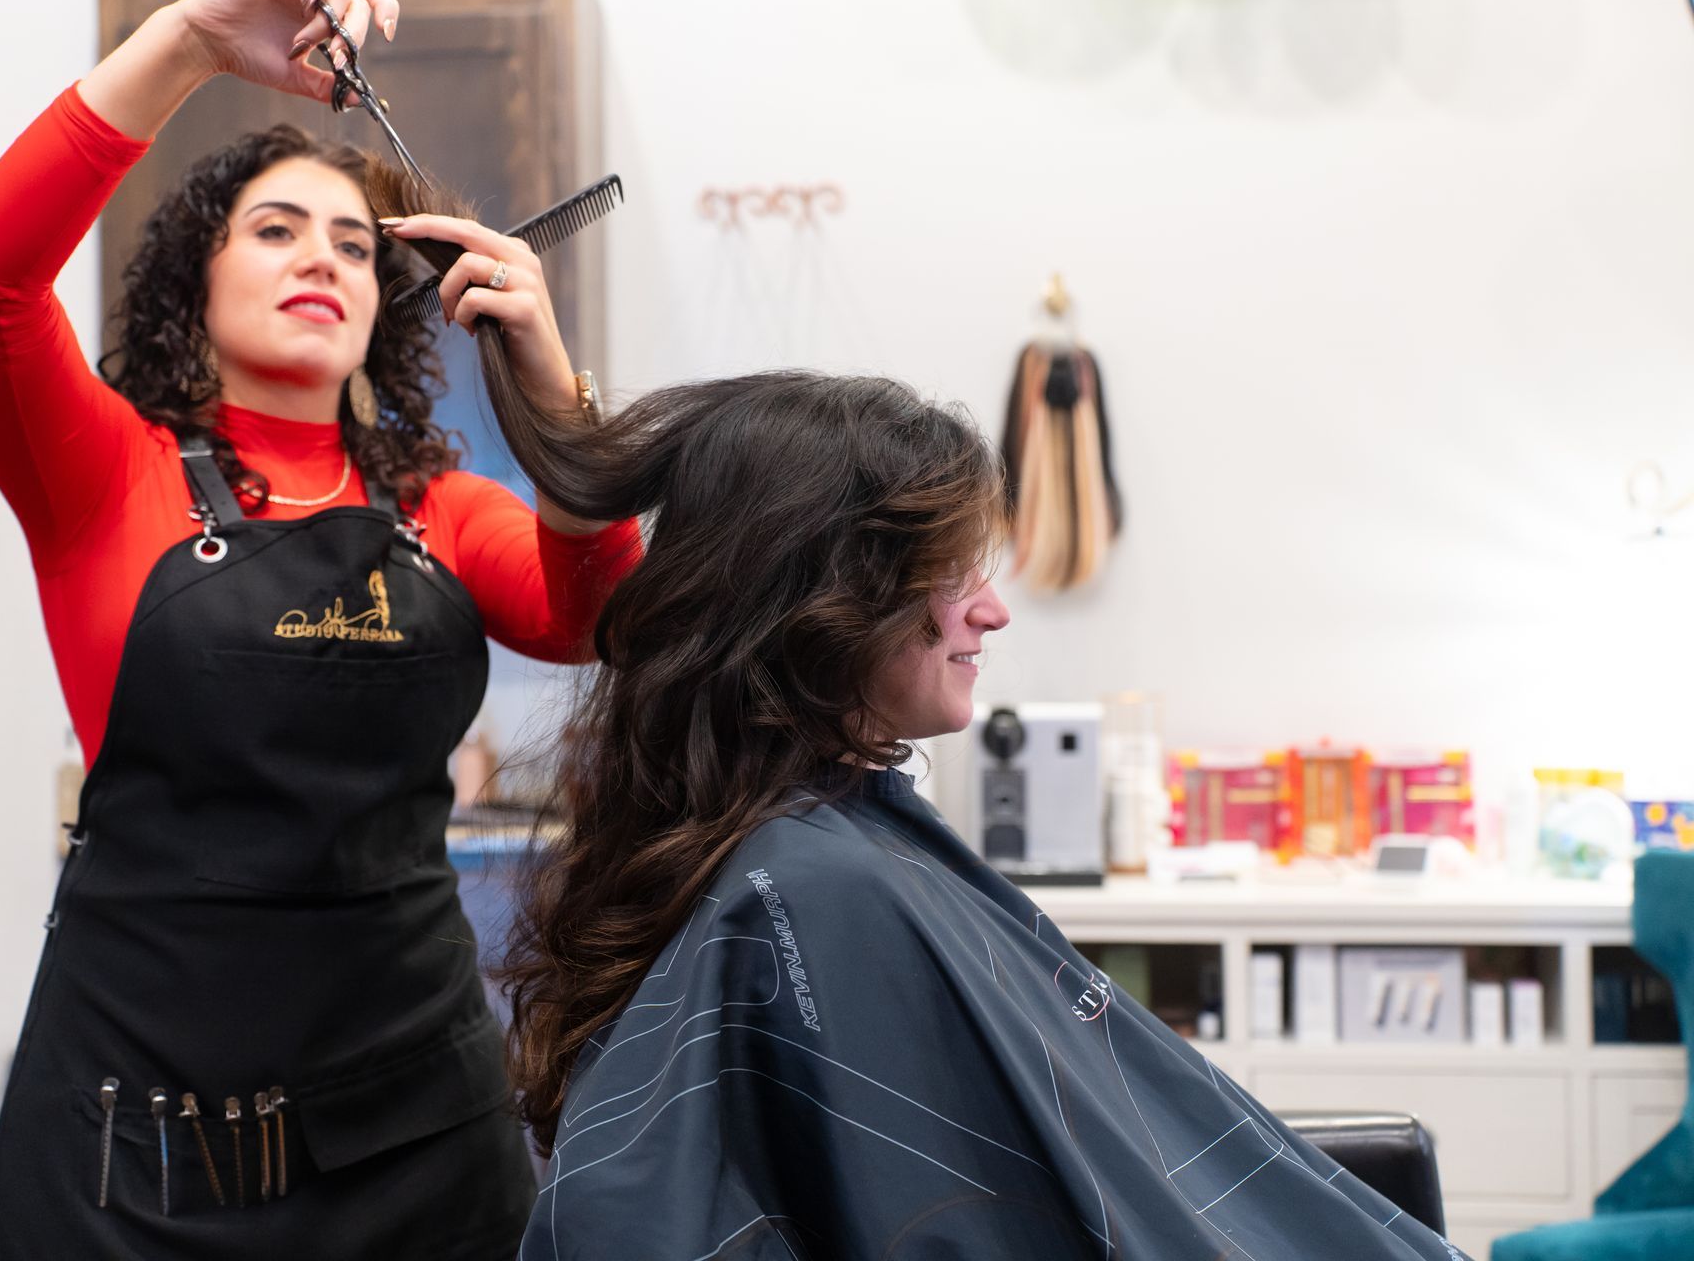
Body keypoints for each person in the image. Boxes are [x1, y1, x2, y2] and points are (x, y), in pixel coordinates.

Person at [0, 0, 639, 1253]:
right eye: (275, 229)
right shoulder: (102, 474)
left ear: (384, 306)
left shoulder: (445, 511)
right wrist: (190, 44)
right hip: (141, 1155)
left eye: (358, 244)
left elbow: (602, 619)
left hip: (425, 1142)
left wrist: (559, 398)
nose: (324, 253)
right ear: (193, 284)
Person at [493, 372, 1473, 1259]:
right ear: (825, 594)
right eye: (952, 570)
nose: (993, 610)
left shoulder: (806, 856)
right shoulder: (817, 887)